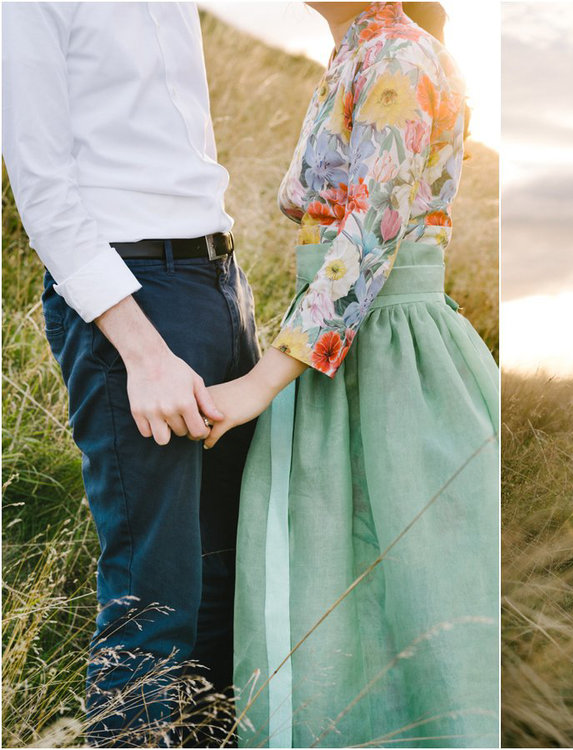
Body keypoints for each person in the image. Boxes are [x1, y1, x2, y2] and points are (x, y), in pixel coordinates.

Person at [198, 3, 499, 747]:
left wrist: (262, 381)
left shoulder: (397, 55)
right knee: (336, 584)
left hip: (389, 349)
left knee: (414, 587)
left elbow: (371, 233)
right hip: (346, 343)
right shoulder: (357, 51)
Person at [2, 2, 259, 745]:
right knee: (156, 595)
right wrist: (143, 353)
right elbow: (43, 187)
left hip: (219, 282)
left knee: (222, 584)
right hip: (134, 299)